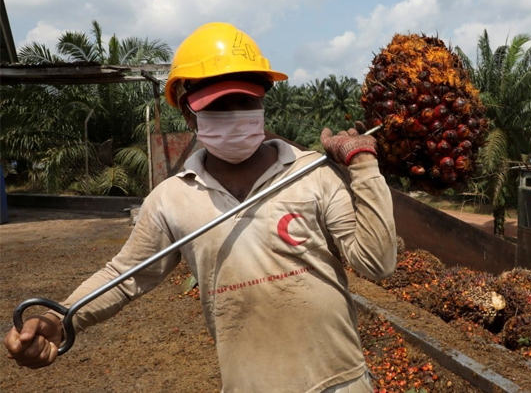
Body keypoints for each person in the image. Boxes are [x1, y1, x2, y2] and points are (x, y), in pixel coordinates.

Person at [4, 22, 397, 393]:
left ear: (263, 99)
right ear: (188, 112)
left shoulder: (311, 173)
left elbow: (376, 263)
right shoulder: (171, 199)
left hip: (341, 381)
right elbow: (124, 275)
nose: (231, 115)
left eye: (243, 100)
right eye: (216, 104)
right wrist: (61, 317)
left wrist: (363, 165)